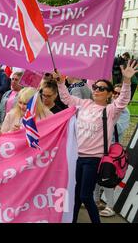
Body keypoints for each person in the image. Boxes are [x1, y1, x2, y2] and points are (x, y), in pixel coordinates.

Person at [53, 60, 135, 223]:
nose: (97, 90)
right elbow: (66, 98)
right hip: (78, 157)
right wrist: (61, 83)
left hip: (93, 159)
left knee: (85, 195)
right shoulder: (84, 104)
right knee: (76, 195)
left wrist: (126, 81)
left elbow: (124, 100)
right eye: (96, 87)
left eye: (102, 88)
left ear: (110, 94)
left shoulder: (111, 110)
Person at [94, 83, 131, 218]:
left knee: (107, 178)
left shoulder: (124, 111)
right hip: (98, 147)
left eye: (119, 94)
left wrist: (109, 115)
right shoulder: (105, 107)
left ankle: (110, 206)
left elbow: (118, 129)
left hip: (111, 150)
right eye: (114, 93)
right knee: (97, 176)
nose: (116, 96)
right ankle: (96, 200)